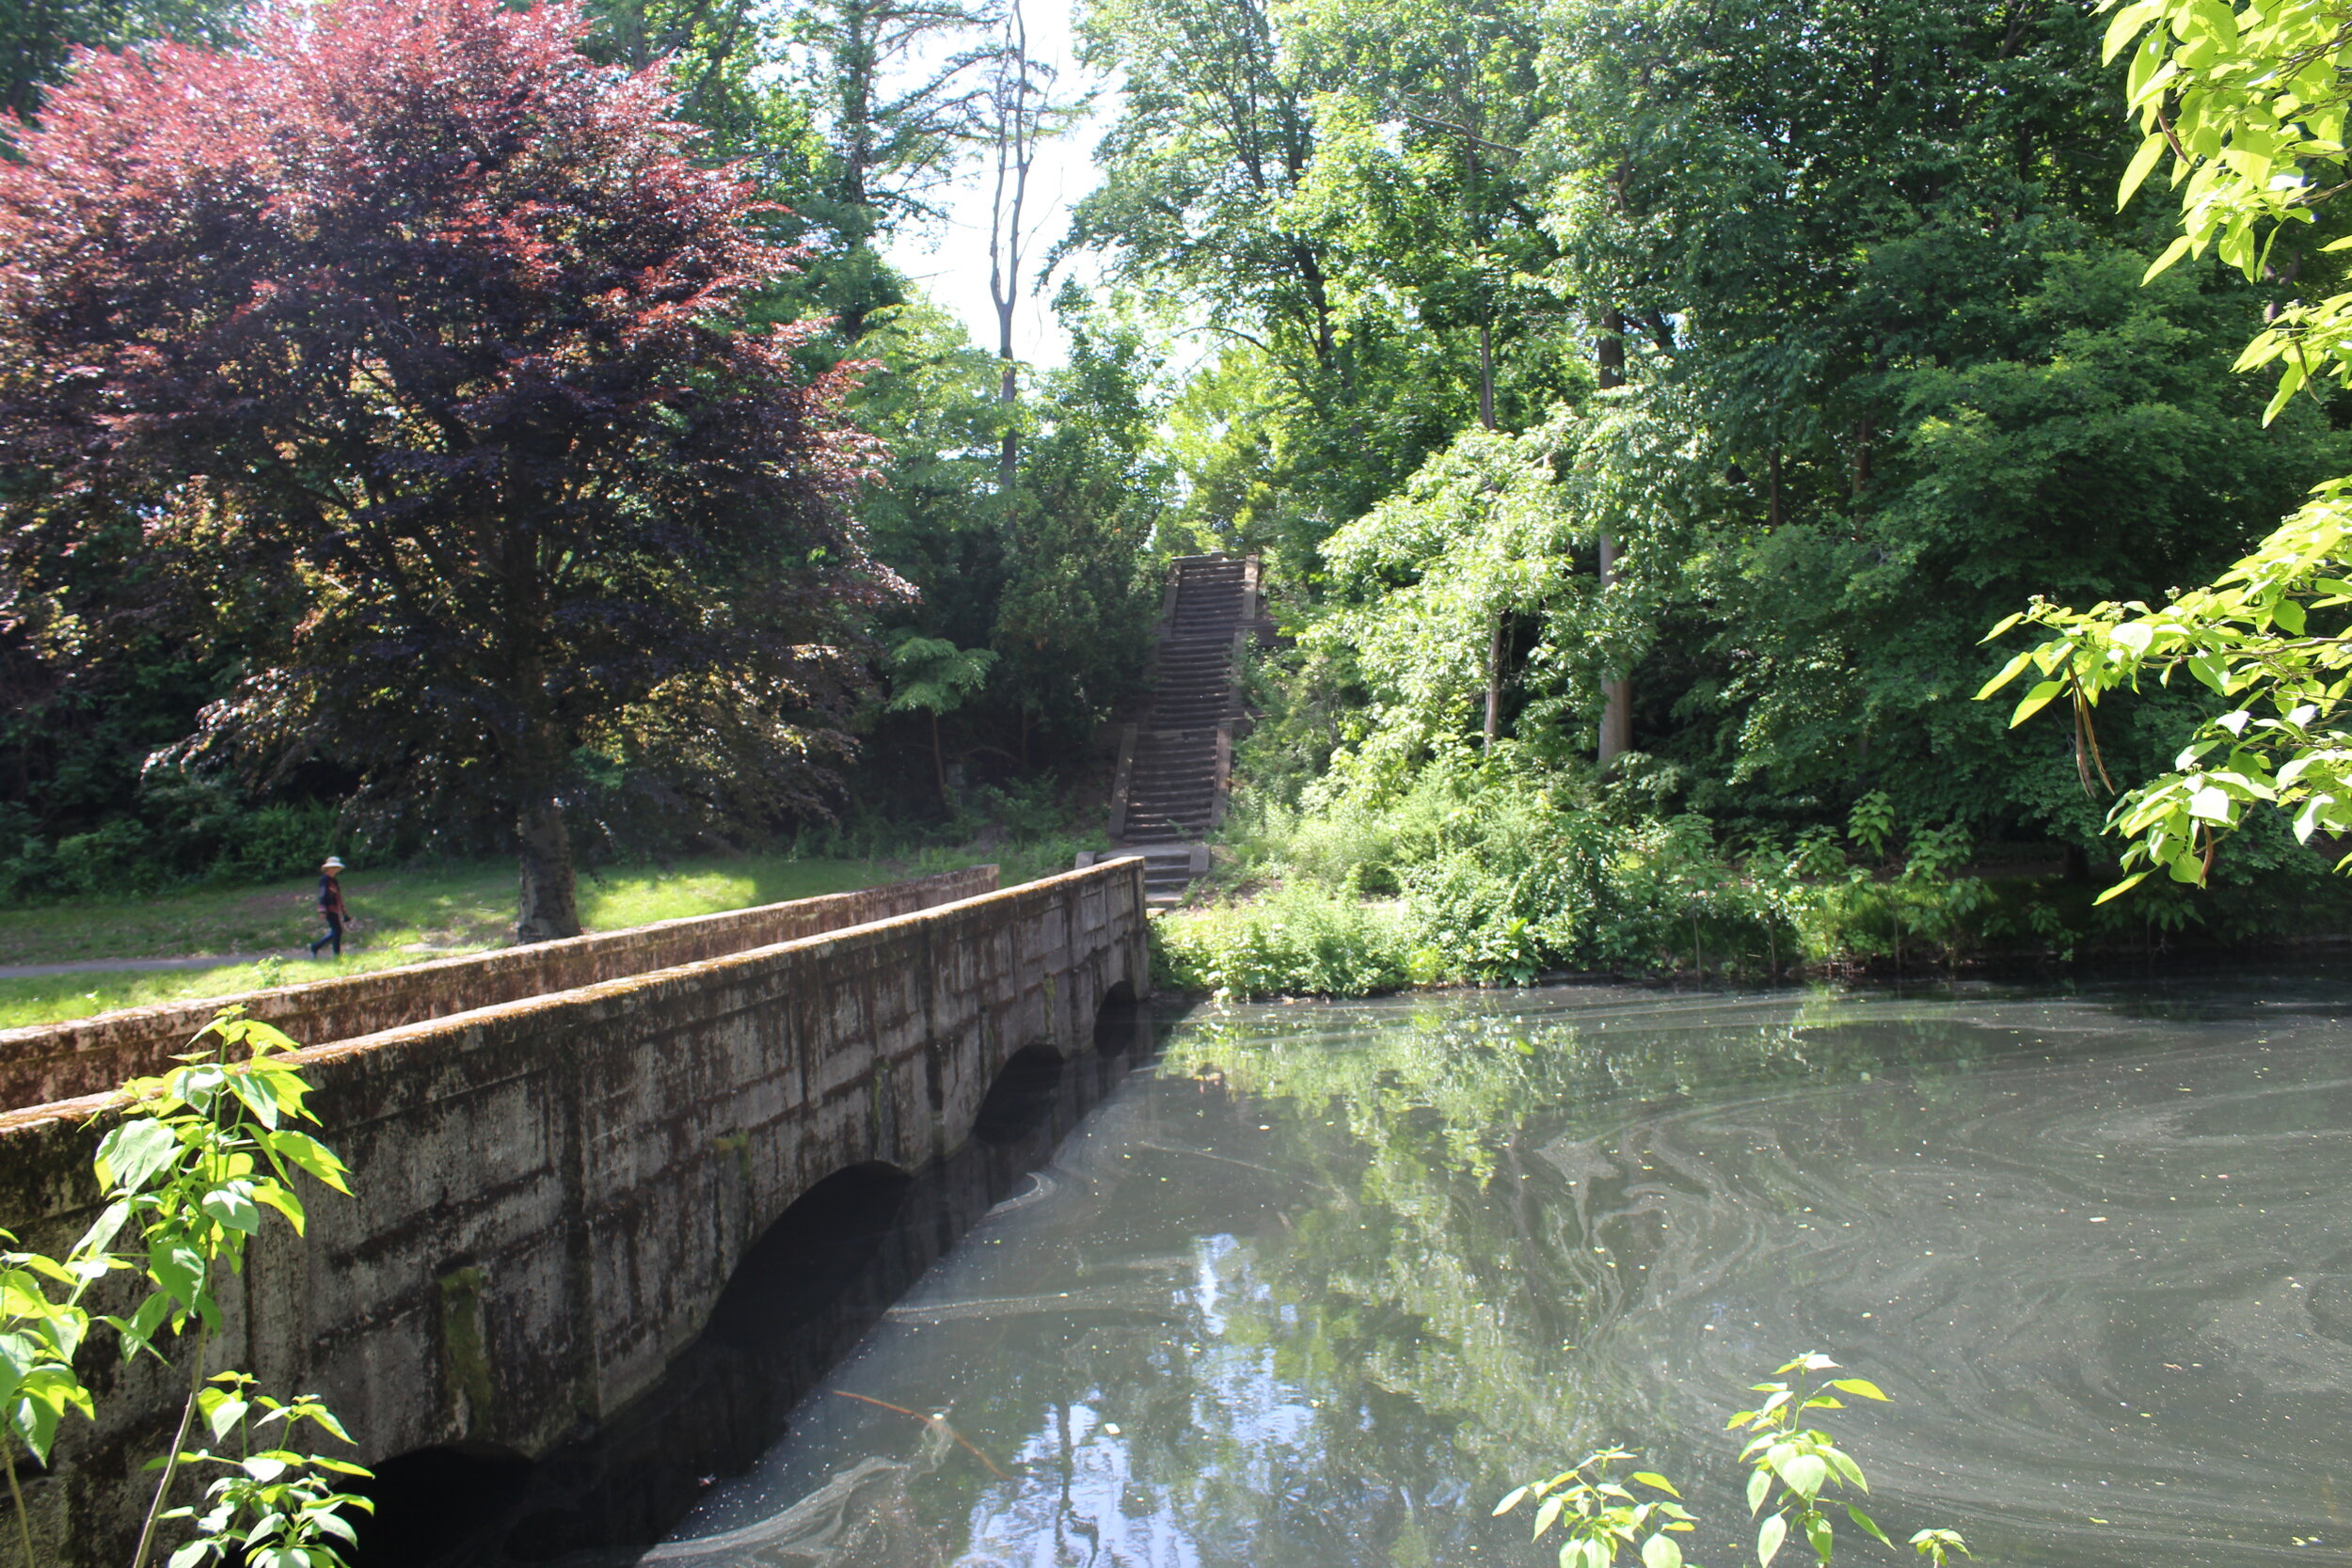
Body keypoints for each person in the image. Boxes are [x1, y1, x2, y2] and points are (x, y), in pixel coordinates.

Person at [310, 856, 351, 958]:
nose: (336, 869)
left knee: (336, 931)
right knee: (337, 931)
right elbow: (323, 894)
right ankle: (336, 954)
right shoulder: (324, 880)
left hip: (334, 908)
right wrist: (322, 910)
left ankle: (316, 947)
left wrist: (343, 909)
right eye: (334, 867)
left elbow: (338, 895)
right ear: (329, 868)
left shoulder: (334, 880)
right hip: (328, 908)